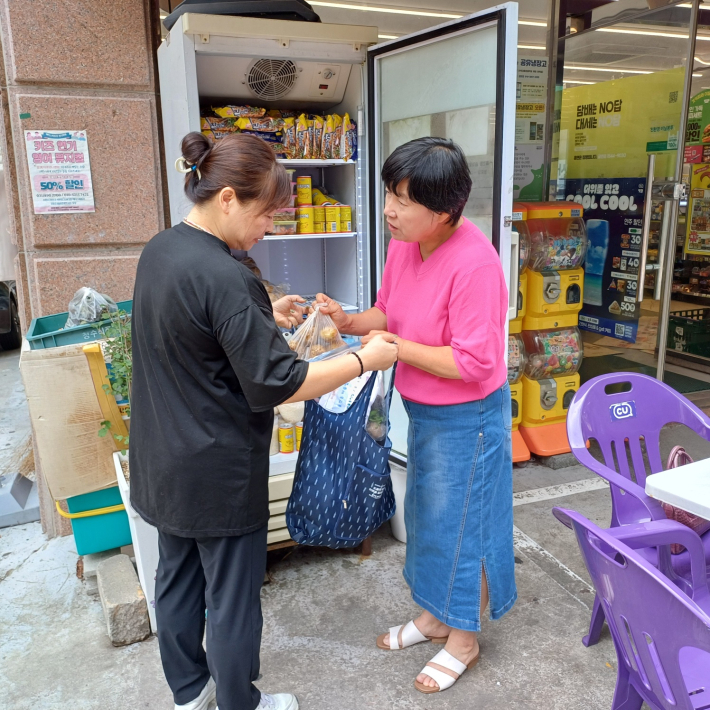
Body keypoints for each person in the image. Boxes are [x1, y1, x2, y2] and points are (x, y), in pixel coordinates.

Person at [129, 132, 398, 710]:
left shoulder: (163, 249)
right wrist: (362, 359)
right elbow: (281, 382)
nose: (267, 229)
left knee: (176, 577)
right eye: (264, 214)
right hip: (216, 466)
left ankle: (189, 692)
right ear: (227, 197)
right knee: (230, 593)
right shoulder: (226, 276)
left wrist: (260, 313)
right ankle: (239, 703)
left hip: (162, 455)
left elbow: (194, 328)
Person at [317, 136, 516, 694]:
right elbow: (392, 312)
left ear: (445, 210)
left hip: (470, 416)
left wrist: (397, 350)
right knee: (428, 519)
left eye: (402, 200)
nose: (388, 210)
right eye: (388, 194)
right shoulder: (407, 242)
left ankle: (464, 640)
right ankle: (434, 616)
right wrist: (351, 321)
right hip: (424, 409)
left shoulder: (475, 264)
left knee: (463, 525)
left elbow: (475, 363)